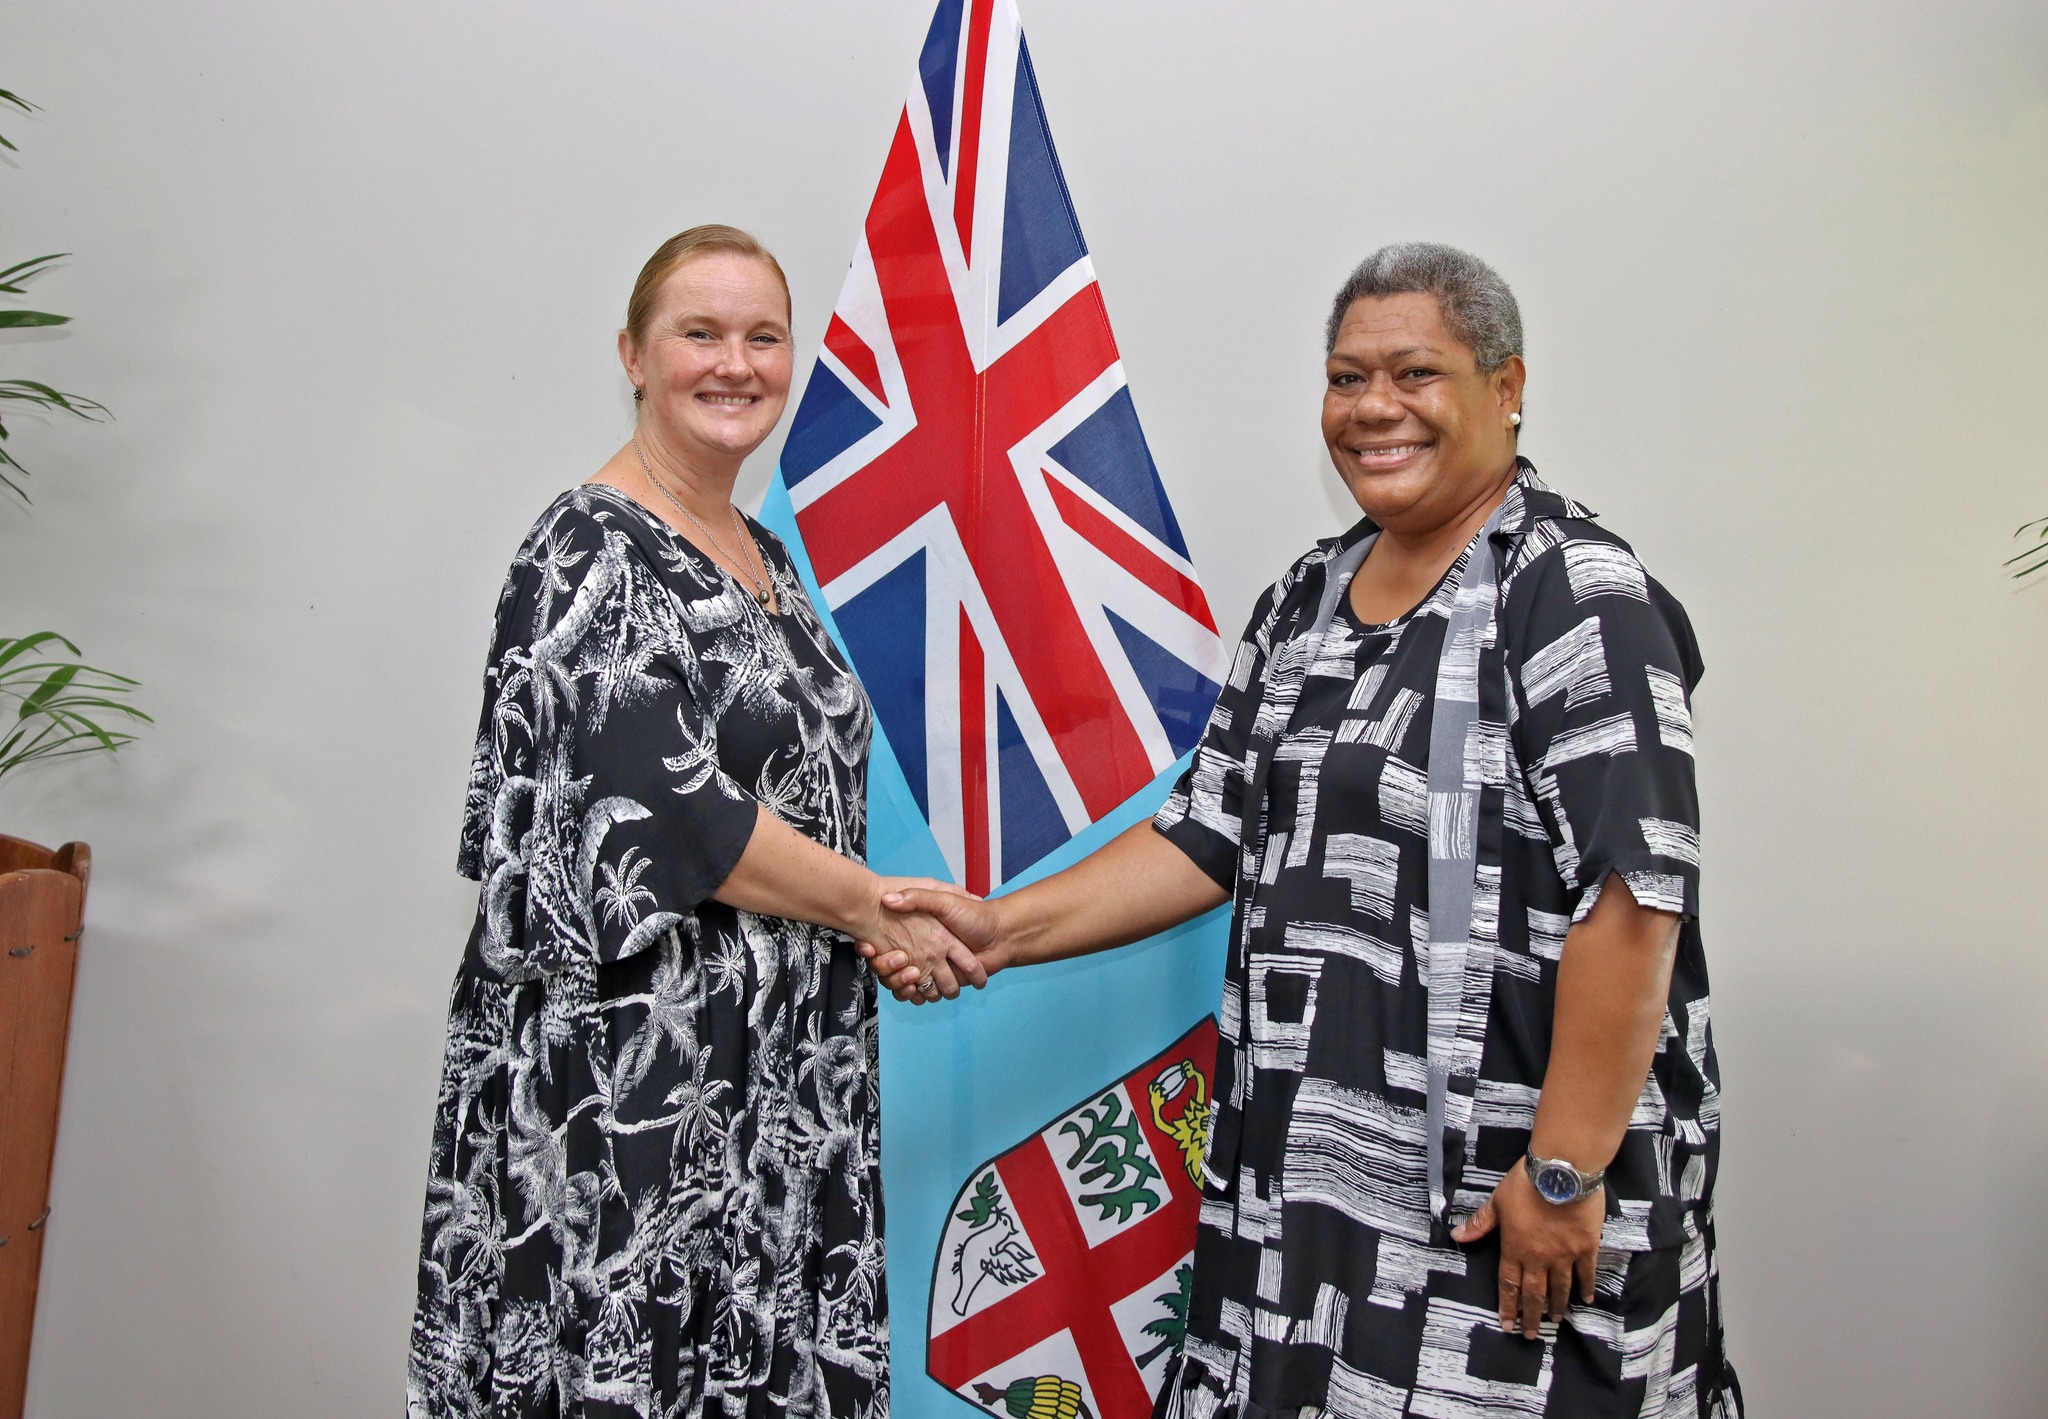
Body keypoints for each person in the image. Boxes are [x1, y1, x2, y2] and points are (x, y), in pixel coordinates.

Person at [869, 244, 1741, 1418]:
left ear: (1506, 385)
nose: (1372, 407)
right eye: (1345, 377)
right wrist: (995, 927)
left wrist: (1563, 1165)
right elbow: (1203, 835)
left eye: (1414, 372)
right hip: (1312, 1202)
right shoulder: (1304, 600)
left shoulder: (1572, 593)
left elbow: (1633, 898)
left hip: (1498, 1198)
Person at [408, 224, 982, 1419]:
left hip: (778, 1082)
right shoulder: (583, 550)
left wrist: (867, 934)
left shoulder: (759, 552)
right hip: (634, 1091)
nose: (735, 364)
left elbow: (809, 794)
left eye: (762, 336)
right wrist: (886, 912)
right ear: (632, 353)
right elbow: (674, 810)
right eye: (699, 334)